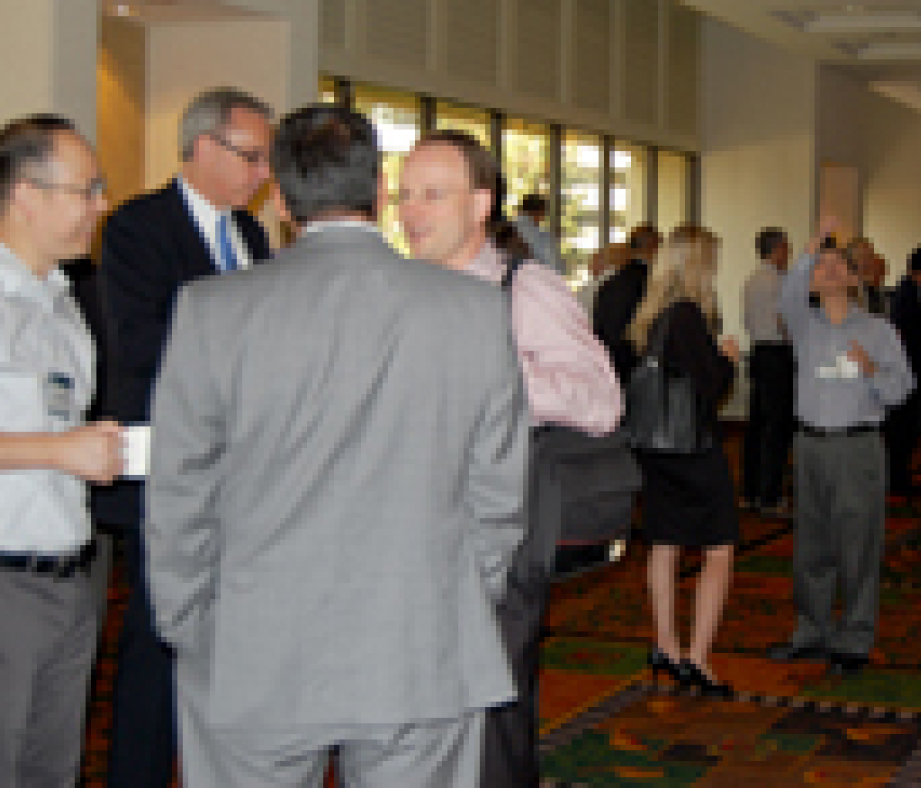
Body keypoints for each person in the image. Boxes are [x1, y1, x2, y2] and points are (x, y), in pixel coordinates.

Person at [145, 104, 527, 787]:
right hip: (419, 639)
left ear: (283, 200)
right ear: (380, 190)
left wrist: (192, 629)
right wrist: (456, 599)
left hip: (252, 645)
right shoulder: (472, 312)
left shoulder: (211, 311)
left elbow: (179, 494)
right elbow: (497, 494)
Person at [398, 129, 622, 787]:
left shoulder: (525, 289)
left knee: (491, 726)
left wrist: (499, 380)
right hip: (414, 539)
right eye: (406, 195)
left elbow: (601, 399)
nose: (413, 211)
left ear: (480, 204)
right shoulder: (406, 289)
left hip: (496, 546)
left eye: (433, 195)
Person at [96, 86, 274, 788]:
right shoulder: (140, 227)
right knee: (155, 643)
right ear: (204, 147)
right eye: (252, 157)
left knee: (224, 642)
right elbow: (142, 344)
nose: (263, 174)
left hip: (239, 475)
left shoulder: (252, 238)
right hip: (167, 469)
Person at [0, 114, 123, 788]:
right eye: (87, 189)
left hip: (69, 581)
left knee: (52, 770)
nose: (101, 205)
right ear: (27, 195)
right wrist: (60, 450)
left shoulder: (66, 303)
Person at [766, 223, 913, 677]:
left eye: (837, 265)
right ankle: (810, 632)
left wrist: (871, 371)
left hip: (858, 448)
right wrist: (809, 255)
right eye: (820, 266)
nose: (828, 270)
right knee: (811, 546)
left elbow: (903, 388)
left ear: (854, 278)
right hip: (811, 445)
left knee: (858, 545)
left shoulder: (878, 330)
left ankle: (854, 635)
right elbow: (788, 295)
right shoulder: (803, 325)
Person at [627, 226, 742, 696]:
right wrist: (729, 358)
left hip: (655, 451)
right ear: (696, 264)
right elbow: (711, 385)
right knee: (719, 548)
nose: (714, 269)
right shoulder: (689, 315)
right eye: (710, 260)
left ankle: (666, 646)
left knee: (665, 542)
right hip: (692, 449)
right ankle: (696, 657)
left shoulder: (649, 317)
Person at [741, 227, 794, 517]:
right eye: (787, 248)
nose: (789, 254)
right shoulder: (776, 282)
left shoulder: (752, 279)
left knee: (757, 426)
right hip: (777, 354)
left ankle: (750, 492)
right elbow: (783, 322)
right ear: (777, 249)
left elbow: (748, 320)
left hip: (759, 353)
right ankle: (771, 495)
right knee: (777, 427)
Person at [885, 246, 921, 497]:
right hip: (906, 368)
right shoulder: (905, 295)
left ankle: (899, 474)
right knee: (902, 427)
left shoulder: (912, 293)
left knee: (906, 427)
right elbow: (909, 332)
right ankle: (896, 477)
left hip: (911, 367)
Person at [594, 223, 662, 381]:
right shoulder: (654, 284)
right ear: (654, 247)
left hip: (609, 366)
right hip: (642, 370)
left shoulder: (609, 283)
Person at [511, 192, 564, 275]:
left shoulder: (507, 229)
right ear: (540, 212)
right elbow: (554, 266)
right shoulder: (544, 238)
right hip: (539, 281)